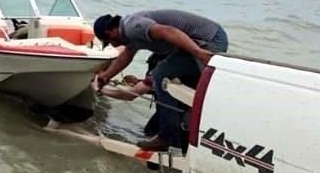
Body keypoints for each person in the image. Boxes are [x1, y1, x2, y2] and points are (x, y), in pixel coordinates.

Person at [93, 9, 229, 151]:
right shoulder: (131, 34)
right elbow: (126, 56)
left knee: (160, 75)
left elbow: (168, 31)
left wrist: (198, 52)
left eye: (109, 42)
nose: (114, 46)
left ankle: (166, 137)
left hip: (208, 41)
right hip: (205, 39)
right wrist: (106, 76)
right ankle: (178, 139)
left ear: (110, 32)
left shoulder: (132, 27)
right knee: (169, 80)